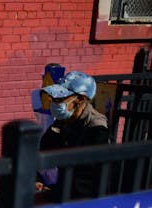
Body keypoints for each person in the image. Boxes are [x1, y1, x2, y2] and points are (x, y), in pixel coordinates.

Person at [38, 71, 110, 201]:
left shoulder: (97, 130)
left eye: (60, 98)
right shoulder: (63, 121)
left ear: (80, 99)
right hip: (62, 189)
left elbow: (84, 179)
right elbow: (43, 152)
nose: (54, 102)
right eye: (54, 98)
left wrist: (53, 193)